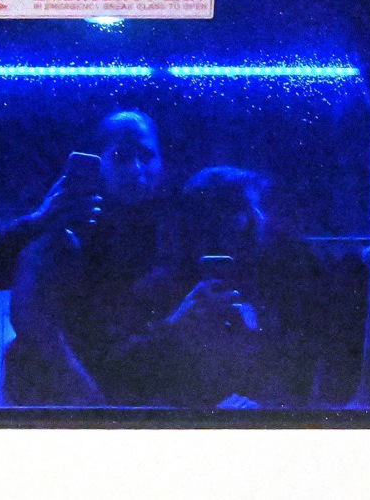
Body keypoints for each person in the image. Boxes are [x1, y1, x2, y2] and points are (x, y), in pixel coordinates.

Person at [106, 166, 336, 409]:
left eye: (258, 208)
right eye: (243, 209)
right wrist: (175, 325)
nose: (259, 218)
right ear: (207, 222)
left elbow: (304, 371)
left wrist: (265, 409)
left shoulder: (282, 284)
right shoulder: (158, 288)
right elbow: (118, 374)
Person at [0, 110, 176, 405]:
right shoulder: (67, 225)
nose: (136, 168)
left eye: (146, 155)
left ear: (162, 162)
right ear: (97, 162)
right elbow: (39, 329)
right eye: (121, 155)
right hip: (73, 394)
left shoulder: (172, 229)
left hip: (132, 387)